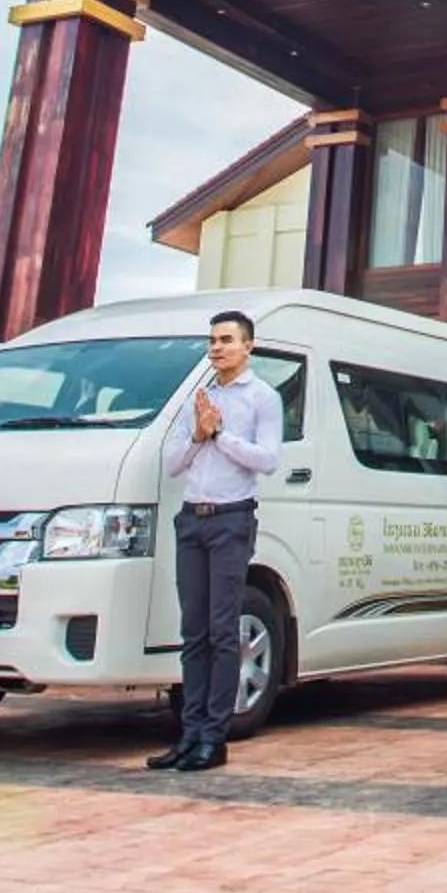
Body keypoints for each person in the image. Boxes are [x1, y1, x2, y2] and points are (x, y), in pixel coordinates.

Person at [147, 308, 282, 772]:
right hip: (192, 520)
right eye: (212, 340)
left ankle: (214, 737)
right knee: (194, 632)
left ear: (249, 345)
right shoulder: (197, 398)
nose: (217, 347)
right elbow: (171, 462)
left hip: (231, 519)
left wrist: (219, 434)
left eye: (226, 339)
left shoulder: (262, 397)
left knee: (224, 630)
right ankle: (188, 734)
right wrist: (199, 435)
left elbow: (267, 460)